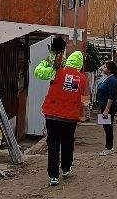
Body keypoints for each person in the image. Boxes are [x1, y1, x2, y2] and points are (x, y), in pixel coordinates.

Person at [34, 41, 88, 187]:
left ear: (68, 60)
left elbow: (37, 71)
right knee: (68, 143)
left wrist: (48, 61)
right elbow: (84, 99)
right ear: (80, 64)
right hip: (70, 118)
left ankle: (53, 176)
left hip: (53, 115)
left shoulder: (57, 71)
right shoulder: (82, 79)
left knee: (53, 144)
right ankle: (66, 168)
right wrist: (82, 114)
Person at [96, 60, 117, 156]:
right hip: (104, 105)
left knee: (108, 127)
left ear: (110, 70)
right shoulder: (107, 78)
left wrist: (106, 110)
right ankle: (108, 147)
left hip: (108, 107)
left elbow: (111, 97)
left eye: (105, 67)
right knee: (105, 126)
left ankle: (109, 147)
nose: (103, 68)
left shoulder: (113, 80)